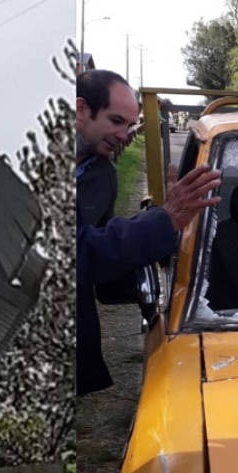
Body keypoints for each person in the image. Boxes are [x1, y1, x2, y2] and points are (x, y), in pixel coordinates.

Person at [76, 69, 221, 395]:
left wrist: (166, 264)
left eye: (129, 125)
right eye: (117, 121)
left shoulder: (102, 173)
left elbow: (102, 270)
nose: (126, 134)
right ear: (81, 110)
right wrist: (161, 221)